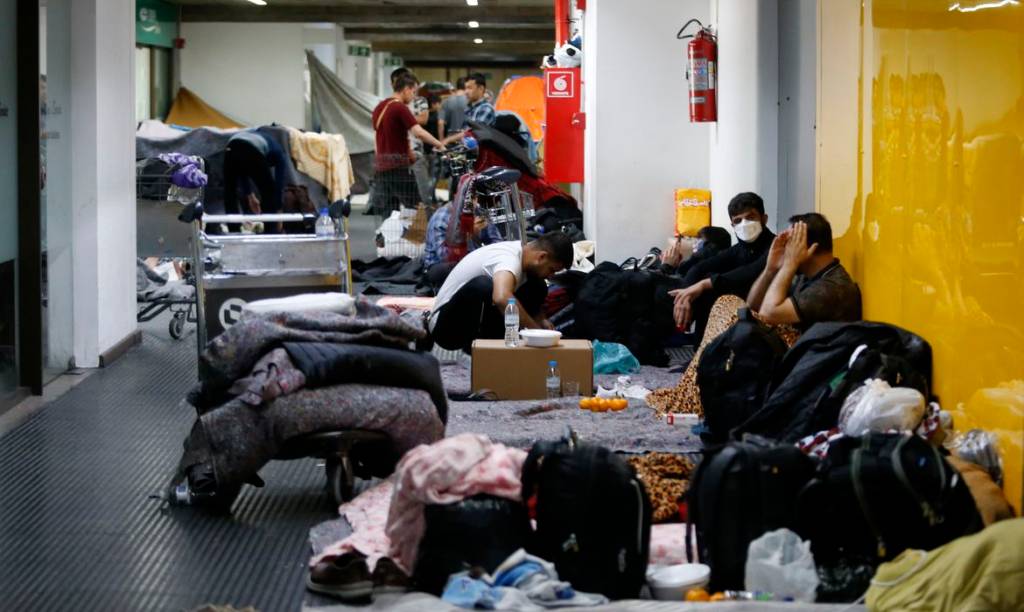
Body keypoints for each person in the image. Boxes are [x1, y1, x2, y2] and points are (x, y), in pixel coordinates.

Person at [429, 232, 574, 352]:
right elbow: (501, 298)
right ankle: (484, 351)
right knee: (486, 287)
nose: (550, 275)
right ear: (541, 256)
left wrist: (541, 319)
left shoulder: (524, 254)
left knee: (539, 285)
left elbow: (531, 294)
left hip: (472, 320)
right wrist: (536, 333)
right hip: (446, 329)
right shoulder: (508, 260)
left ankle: (499, 348)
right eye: (551, 270)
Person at [666, 192, 776, 340]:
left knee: (709, 286)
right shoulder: (738, 249)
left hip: (769, 312)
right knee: (699, 285)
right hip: (740, 313)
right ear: (733, 225)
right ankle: (700, 354)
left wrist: (705, 284)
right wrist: (685, 297)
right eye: (738, 220)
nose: (744, 224)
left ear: (764, 219)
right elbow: (698, 268)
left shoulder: (777, 245)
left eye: (750, 217)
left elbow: (753, 271)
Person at [746, 212, 862, 328]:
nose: (785, 248)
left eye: (790, 243)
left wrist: (789, 264)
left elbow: (767, 315)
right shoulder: (806, 276)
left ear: (808, 248)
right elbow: (752, 308)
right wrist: (770, 270)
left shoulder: (832, 287)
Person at [367, 73, 444, 217]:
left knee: (389, 211)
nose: (414, 96)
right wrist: (439, 144)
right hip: (398, 166)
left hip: (381, 166)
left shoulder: (379, 107)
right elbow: (418, 132)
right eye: (414, 92)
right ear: (406, 89)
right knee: (416, 206)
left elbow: (381, 137)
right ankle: (416, 239)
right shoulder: (399, 108)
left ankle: (385, 238)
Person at [421, 199, 502, 293]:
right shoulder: (443, 216)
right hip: (442, 265)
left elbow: (496, 243)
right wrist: (468, 233)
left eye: (475, 196)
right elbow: (445, 256)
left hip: (473, 260)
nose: (474, 200)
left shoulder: (479, 212)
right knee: (453, 267)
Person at [223, 130, 288, 219]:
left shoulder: (261, 137)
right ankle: (270, 229)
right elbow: (279, 184)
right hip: (251, 149)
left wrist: (250, 196)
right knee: (269, 192)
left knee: (230, 191)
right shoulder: (280, 154)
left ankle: (234, 229)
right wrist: (279, 209)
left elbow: (243, 170)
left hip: (231, 147)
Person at [441, 72, 496, 145]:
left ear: (481, 88)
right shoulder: (468, 108)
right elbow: (463, 131)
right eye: (465, 88)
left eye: (469, 88)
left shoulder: (486, 109)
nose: (466, 92)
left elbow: (473, 134)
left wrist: (448, 140)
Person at [659, 226, 732, 277]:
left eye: (699, 239)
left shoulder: (706, 272)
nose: (694, 244)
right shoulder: (691, 265)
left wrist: (666, 267)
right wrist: (674, 267)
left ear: (711, 245)